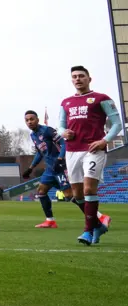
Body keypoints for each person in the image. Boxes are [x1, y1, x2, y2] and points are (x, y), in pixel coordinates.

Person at [58, 66, 121, 245]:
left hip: (94, 149)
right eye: (75, 77)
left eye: (81, 76)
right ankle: (99, 225)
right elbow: (60, 126)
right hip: (72, 151)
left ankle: (87, 231)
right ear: (72, 80)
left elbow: (117, 123)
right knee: (76, 195)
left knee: (88, 190)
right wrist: (63, 133)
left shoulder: (102, 99)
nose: (78, 79)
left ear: (89, 79)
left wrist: (105, 140)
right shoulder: (66, 102)